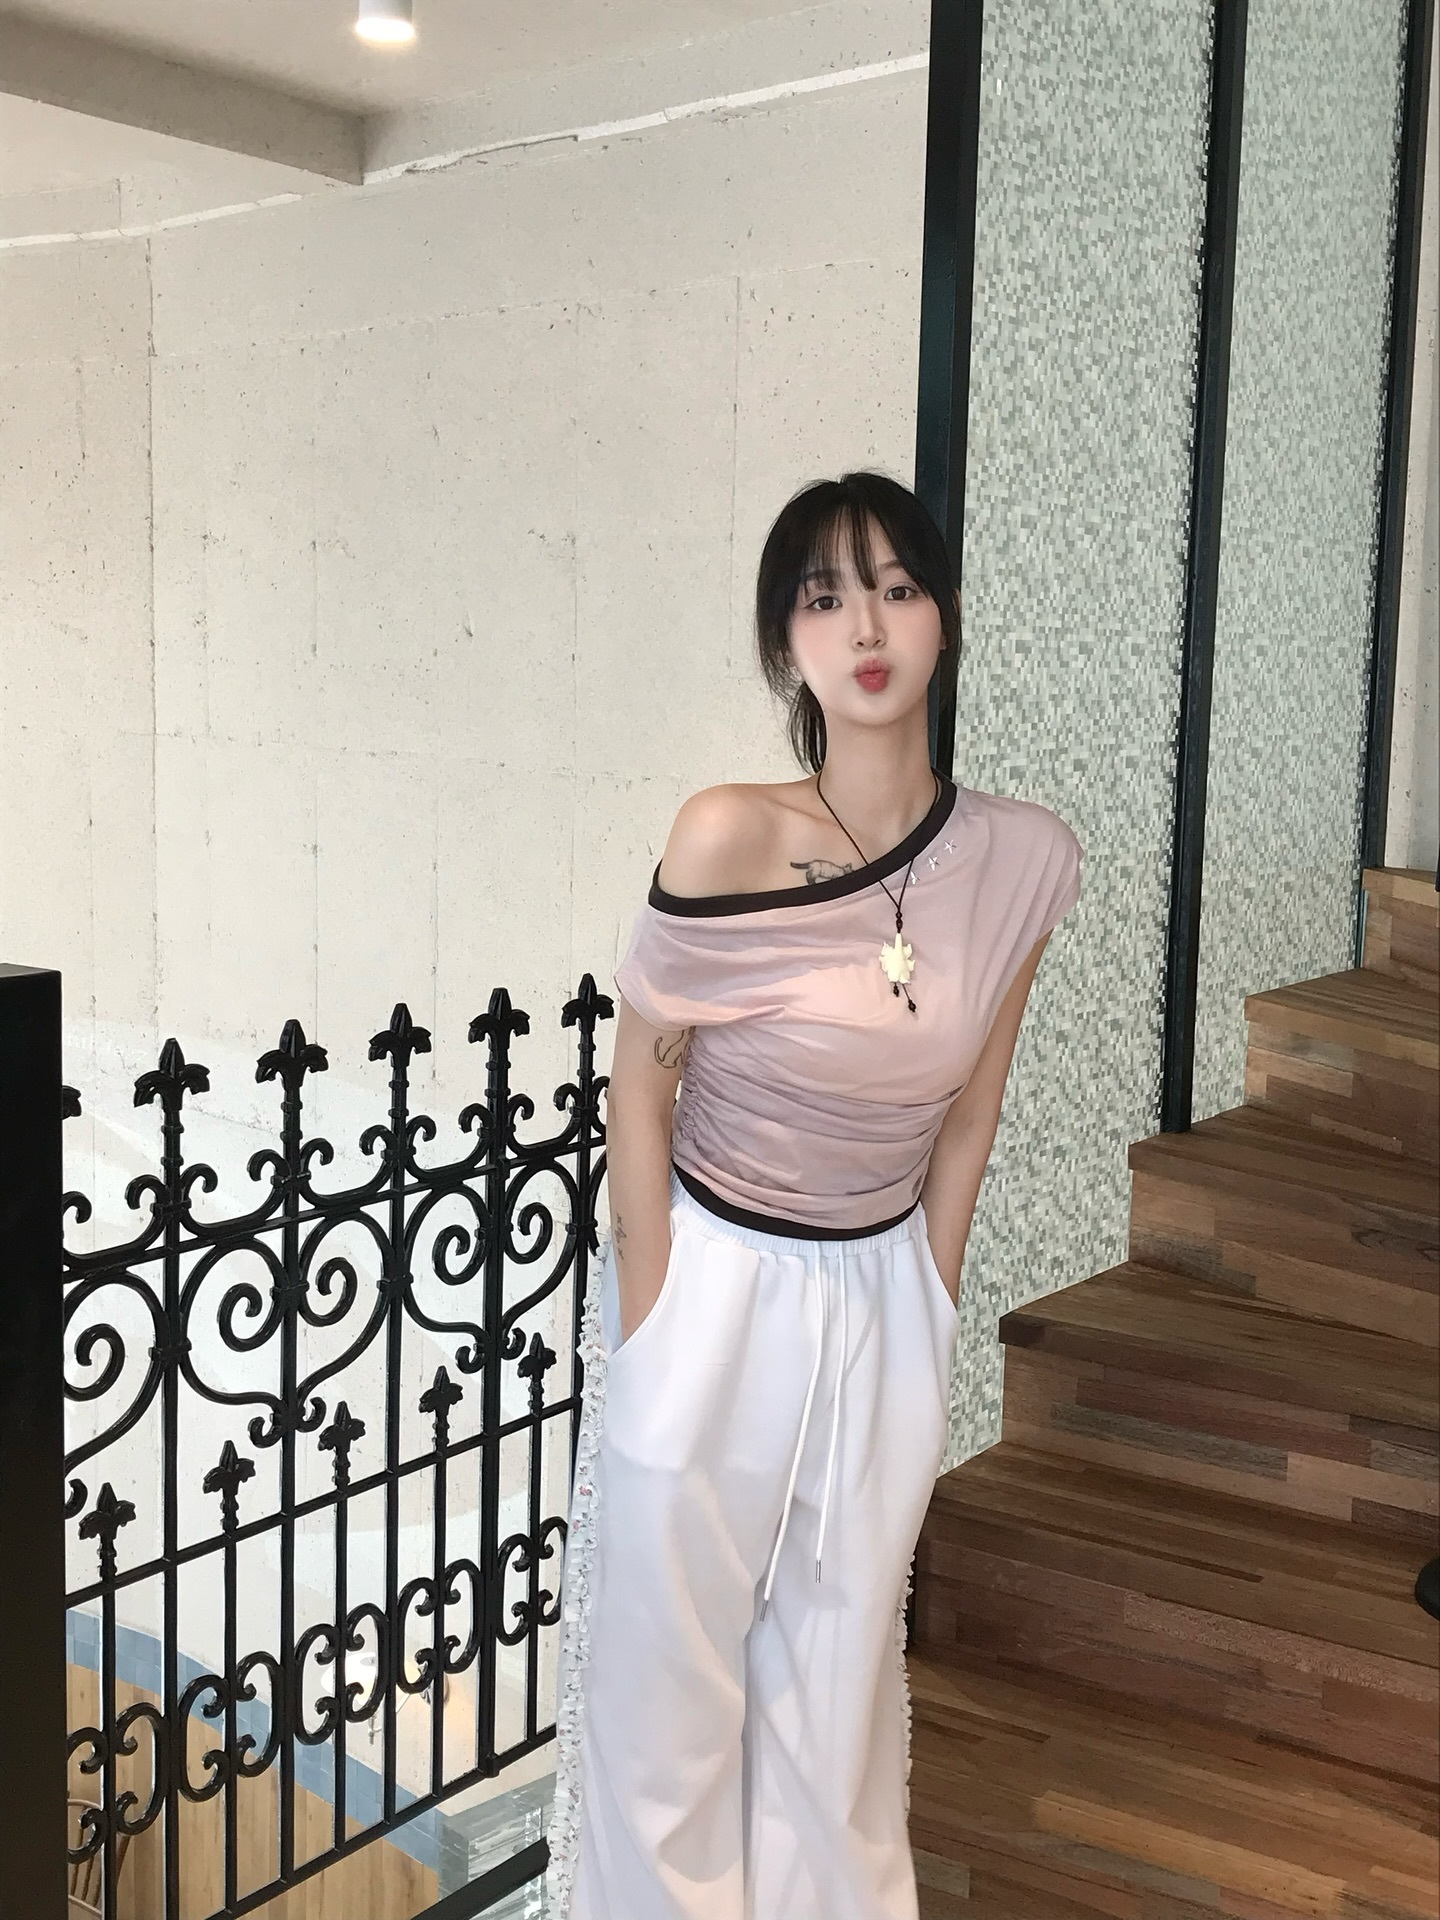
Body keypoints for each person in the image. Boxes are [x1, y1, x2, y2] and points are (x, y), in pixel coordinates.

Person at [546, 470, 1083, 1919]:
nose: (867, 628)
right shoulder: (725, 832)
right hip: (716, 1279)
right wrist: (655, 1318)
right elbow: (641, 1084)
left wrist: (931, 1302)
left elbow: (970, 1116)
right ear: (787, 644)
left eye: (898, 590)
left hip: (882, 1287)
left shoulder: (1021, 859)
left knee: (837, 1695)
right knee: (665, 1700)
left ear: (944, 619)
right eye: (826, 597)